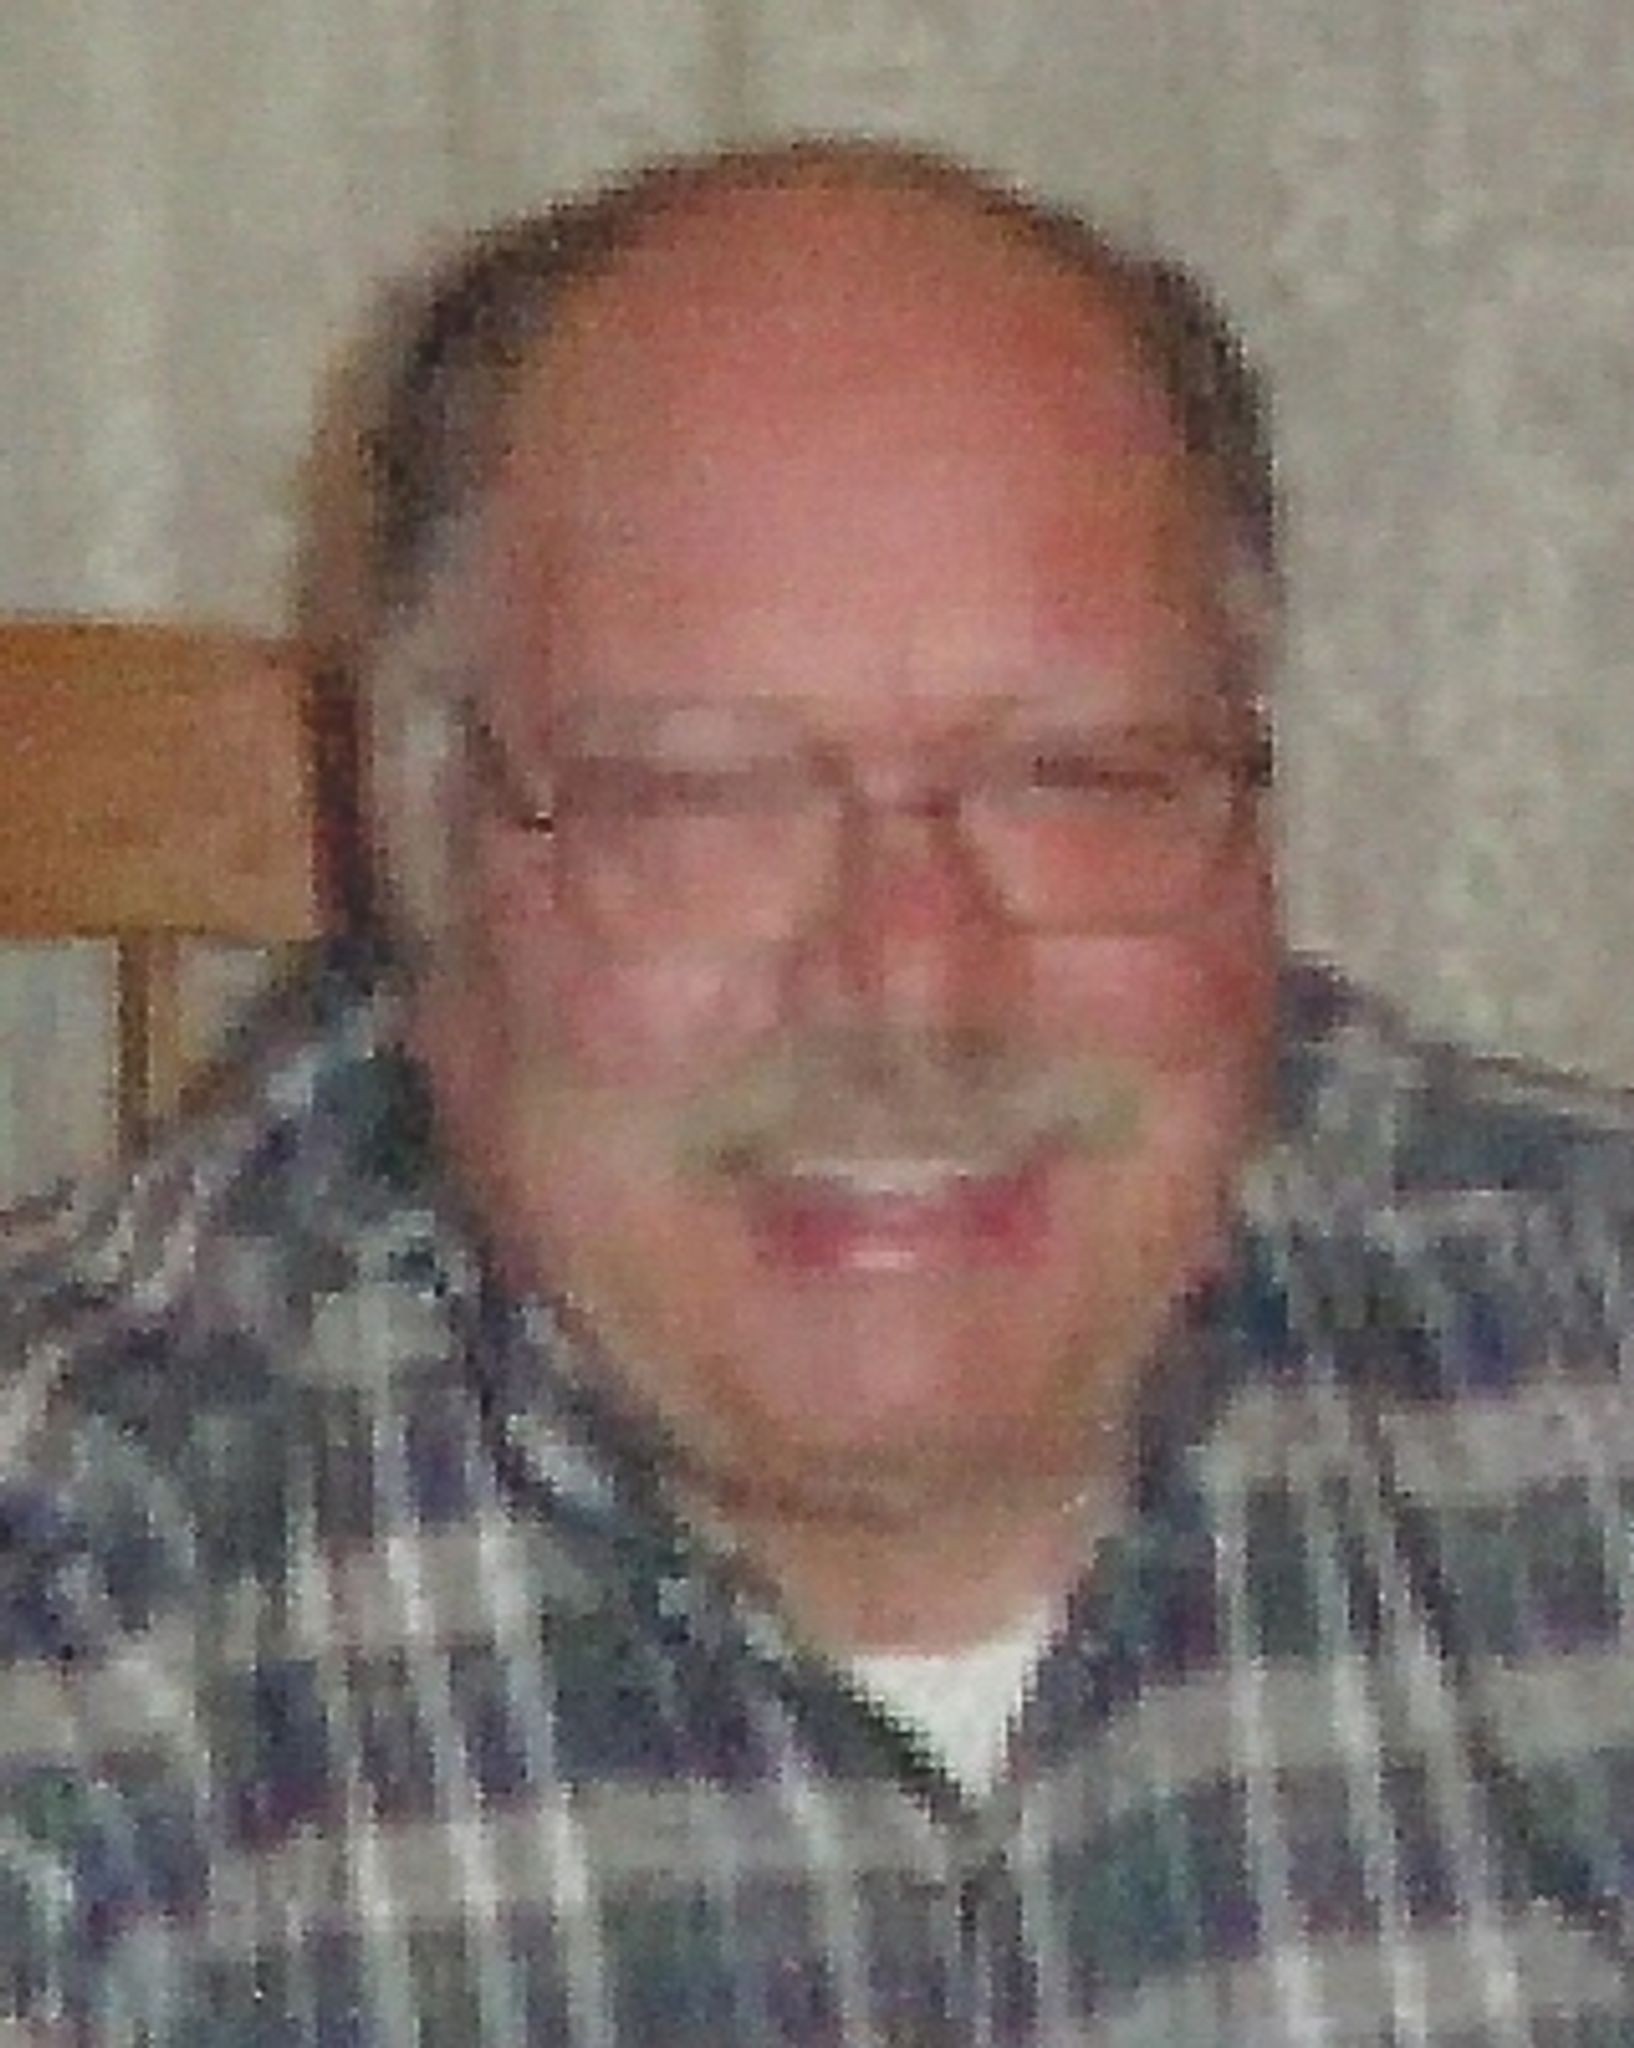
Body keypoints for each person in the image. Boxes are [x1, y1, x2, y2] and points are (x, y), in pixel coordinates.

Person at [3, 139, 1633, 2046]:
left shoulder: (1582, 1362)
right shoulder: (75, 1582)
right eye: (701, 797)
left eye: (1074, 777)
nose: (908, 977)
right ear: (412, 847)